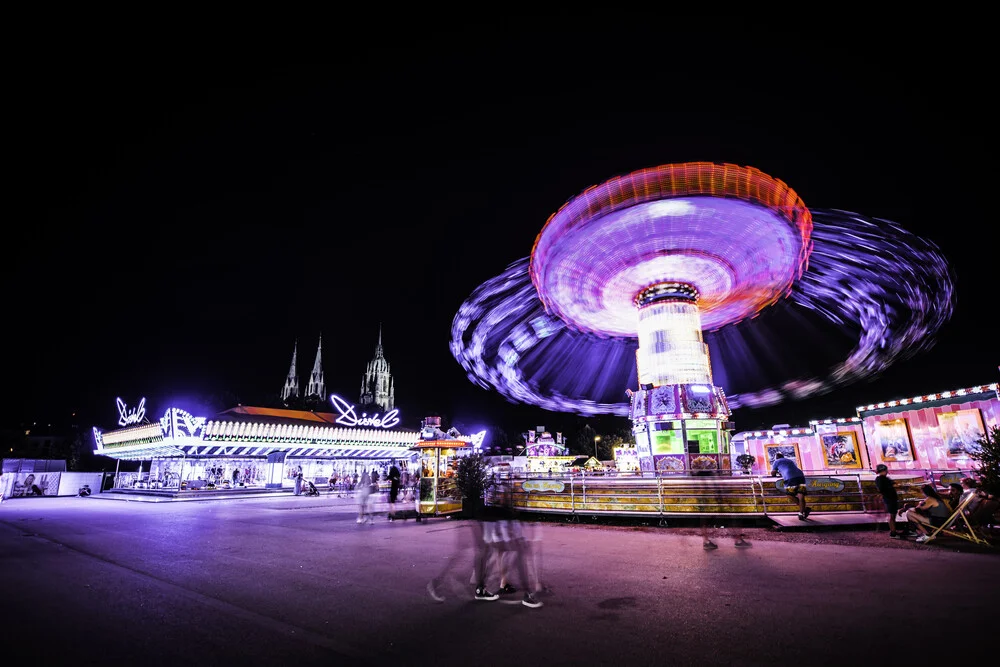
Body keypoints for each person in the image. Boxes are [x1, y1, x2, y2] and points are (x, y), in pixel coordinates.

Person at [770, 453, 810, 520]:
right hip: (800, 476)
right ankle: (801, 513)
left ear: (776, 457)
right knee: (801, 495)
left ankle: (804, 509)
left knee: (789, 495)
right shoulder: (789, 460)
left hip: (790, 477)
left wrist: (776, 473)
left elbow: (773, 473)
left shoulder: (776, 461)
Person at [874, 464, 905, 539]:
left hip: (890, 498)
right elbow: (881, 489)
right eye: (886, 470)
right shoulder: (881, 479)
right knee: (892, 516)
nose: (887, 471)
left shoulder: (883, 478)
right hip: (889, 499)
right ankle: (893, 533)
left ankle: (893, 531)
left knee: (893, 515)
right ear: (883, 470)